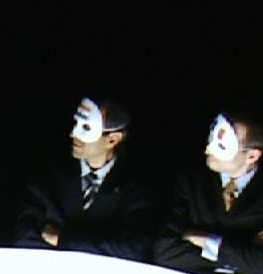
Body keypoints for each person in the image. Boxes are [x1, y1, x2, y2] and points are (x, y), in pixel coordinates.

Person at [151, 110, 263, 274]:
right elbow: (165, 251)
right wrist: (245, 248)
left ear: (252, 156)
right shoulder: (190, 181)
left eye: (221, 146)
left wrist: (206, 241)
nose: (208, 150)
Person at [14, 97, 157, 260]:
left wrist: (64, 240)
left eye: (87, 128)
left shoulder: (135, 188)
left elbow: (135, 249)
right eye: (76, 124)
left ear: (113, 139)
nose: (73, 134)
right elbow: (24, 235)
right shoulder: (48, 173)